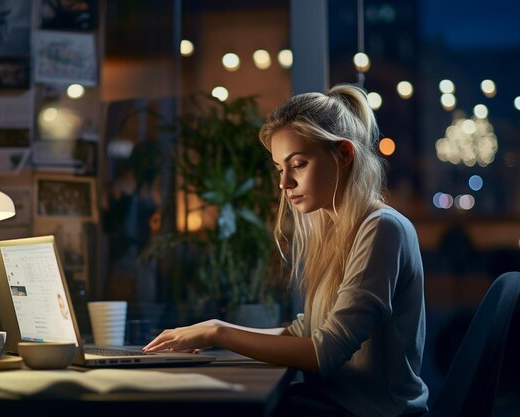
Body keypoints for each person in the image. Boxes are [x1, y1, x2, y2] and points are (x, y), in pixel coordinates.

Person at [143, 84, 429, 417]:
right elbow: (304, 332)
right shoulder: (335, 229)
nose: (284, 184)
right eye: (281, 168)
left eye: (299, 164)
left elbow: (326, 352)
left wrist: (220, 332)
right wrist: (210, 332)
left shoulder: (382, 228)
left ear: (344, 155)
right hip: (333, 405)